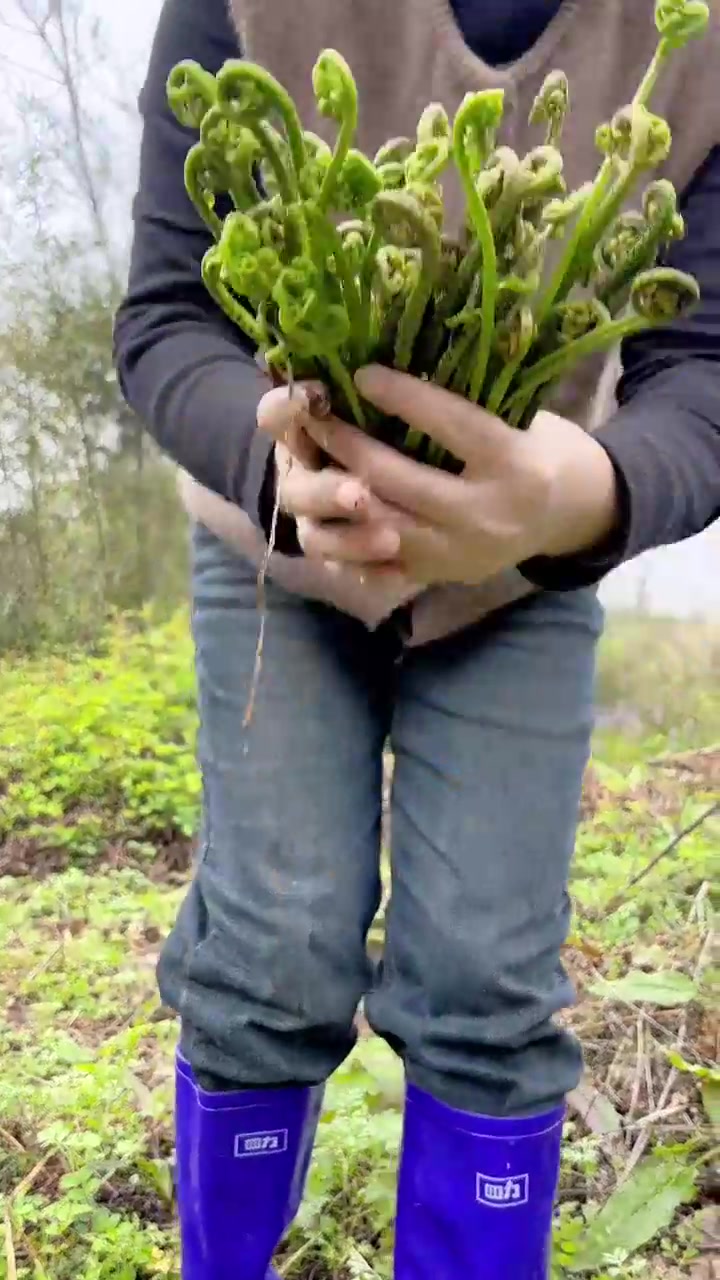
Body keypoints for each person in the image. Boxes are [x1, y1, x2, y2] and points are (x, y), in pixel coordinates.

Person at [113, 1, 720, 1276]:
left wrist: (581, 495)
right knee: (274, 941)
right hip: (276, 545)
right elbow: (169, 315)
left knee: (490, 975)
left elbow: (703, 370)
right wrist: (271, 460)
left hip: (520, 574)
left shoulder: (696, 41)